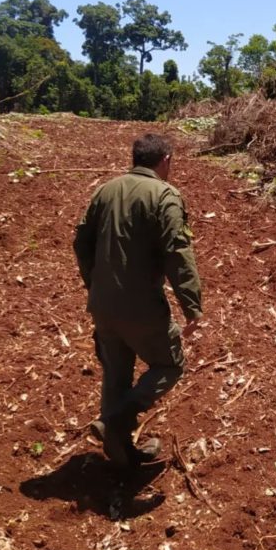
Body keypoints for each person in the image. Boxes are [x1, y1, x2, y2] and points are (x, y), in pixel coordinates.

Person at [73, 132, 202, 468]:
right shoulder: (164, 195)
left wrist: (95, 285)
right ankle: (117, 420)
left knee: (116, 374)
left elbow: (81, 244)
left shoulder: (105, 191)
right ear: (166, 160)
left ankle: (120, 454)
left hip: (102, 304)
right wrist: (192, 305)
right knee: (170, 365)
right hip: (141, 307)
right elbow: (177, 250)